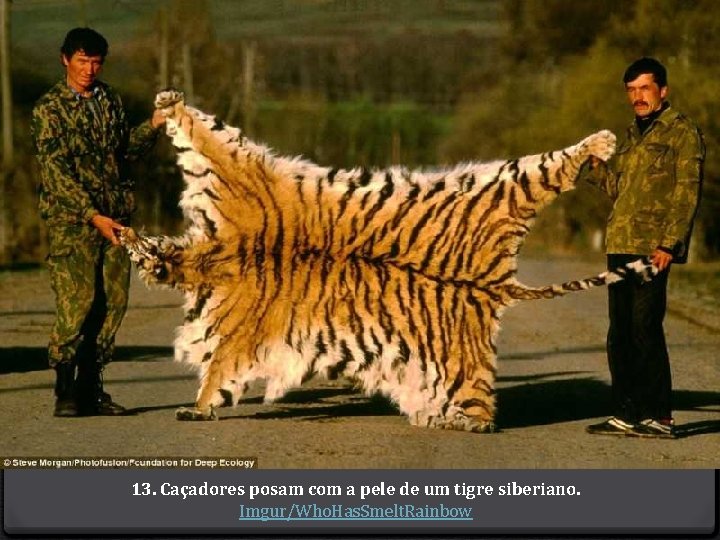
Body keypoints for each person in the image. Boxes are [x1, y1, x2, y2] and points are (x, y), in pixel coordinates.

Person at [31, 27, 166, 417]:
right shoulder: (49, 109)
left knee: (112, 305)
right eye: (81, 60)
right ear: (65, 60)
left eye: (95, 61)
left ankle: (91, 387)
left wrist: (154, 125)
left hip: (116, 220)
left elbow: (124, 151)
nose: (89, 69)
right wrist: (92, 216)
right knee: (78, 303)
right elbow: (55, 173)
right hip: (74, 222)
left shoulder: (108, 100)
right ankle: (66, 391)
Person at [584, 57, 704, 439]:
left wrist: (670, 243)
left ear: (662, 91)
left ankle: (660, 416)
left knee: (644, 328)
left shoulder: (681, 133)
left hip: (654, 248)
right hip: (620, 243)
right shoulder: (632, 135)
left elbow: (687, 192)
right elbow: (619, 190)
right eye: (632, 91)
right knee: (619, 333)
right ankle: (627, 412)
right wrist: (594, 167)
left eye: (645, 89)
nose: (638, 97)